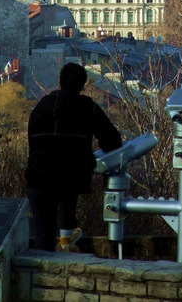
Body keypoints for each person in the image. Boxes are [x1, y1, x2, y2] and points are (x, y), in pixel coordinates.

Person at [25, 62, 122, 252]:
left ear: (60, 81)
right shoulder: (87, 107)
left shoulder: (40, 107)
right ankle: (67, 235)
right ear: (83, 85)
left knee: (43, 236)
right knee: (65, 204)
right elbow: (112, 140)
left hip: (38, 176)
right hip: (69, 177)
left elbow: (33, 142)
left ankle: (45, 271)